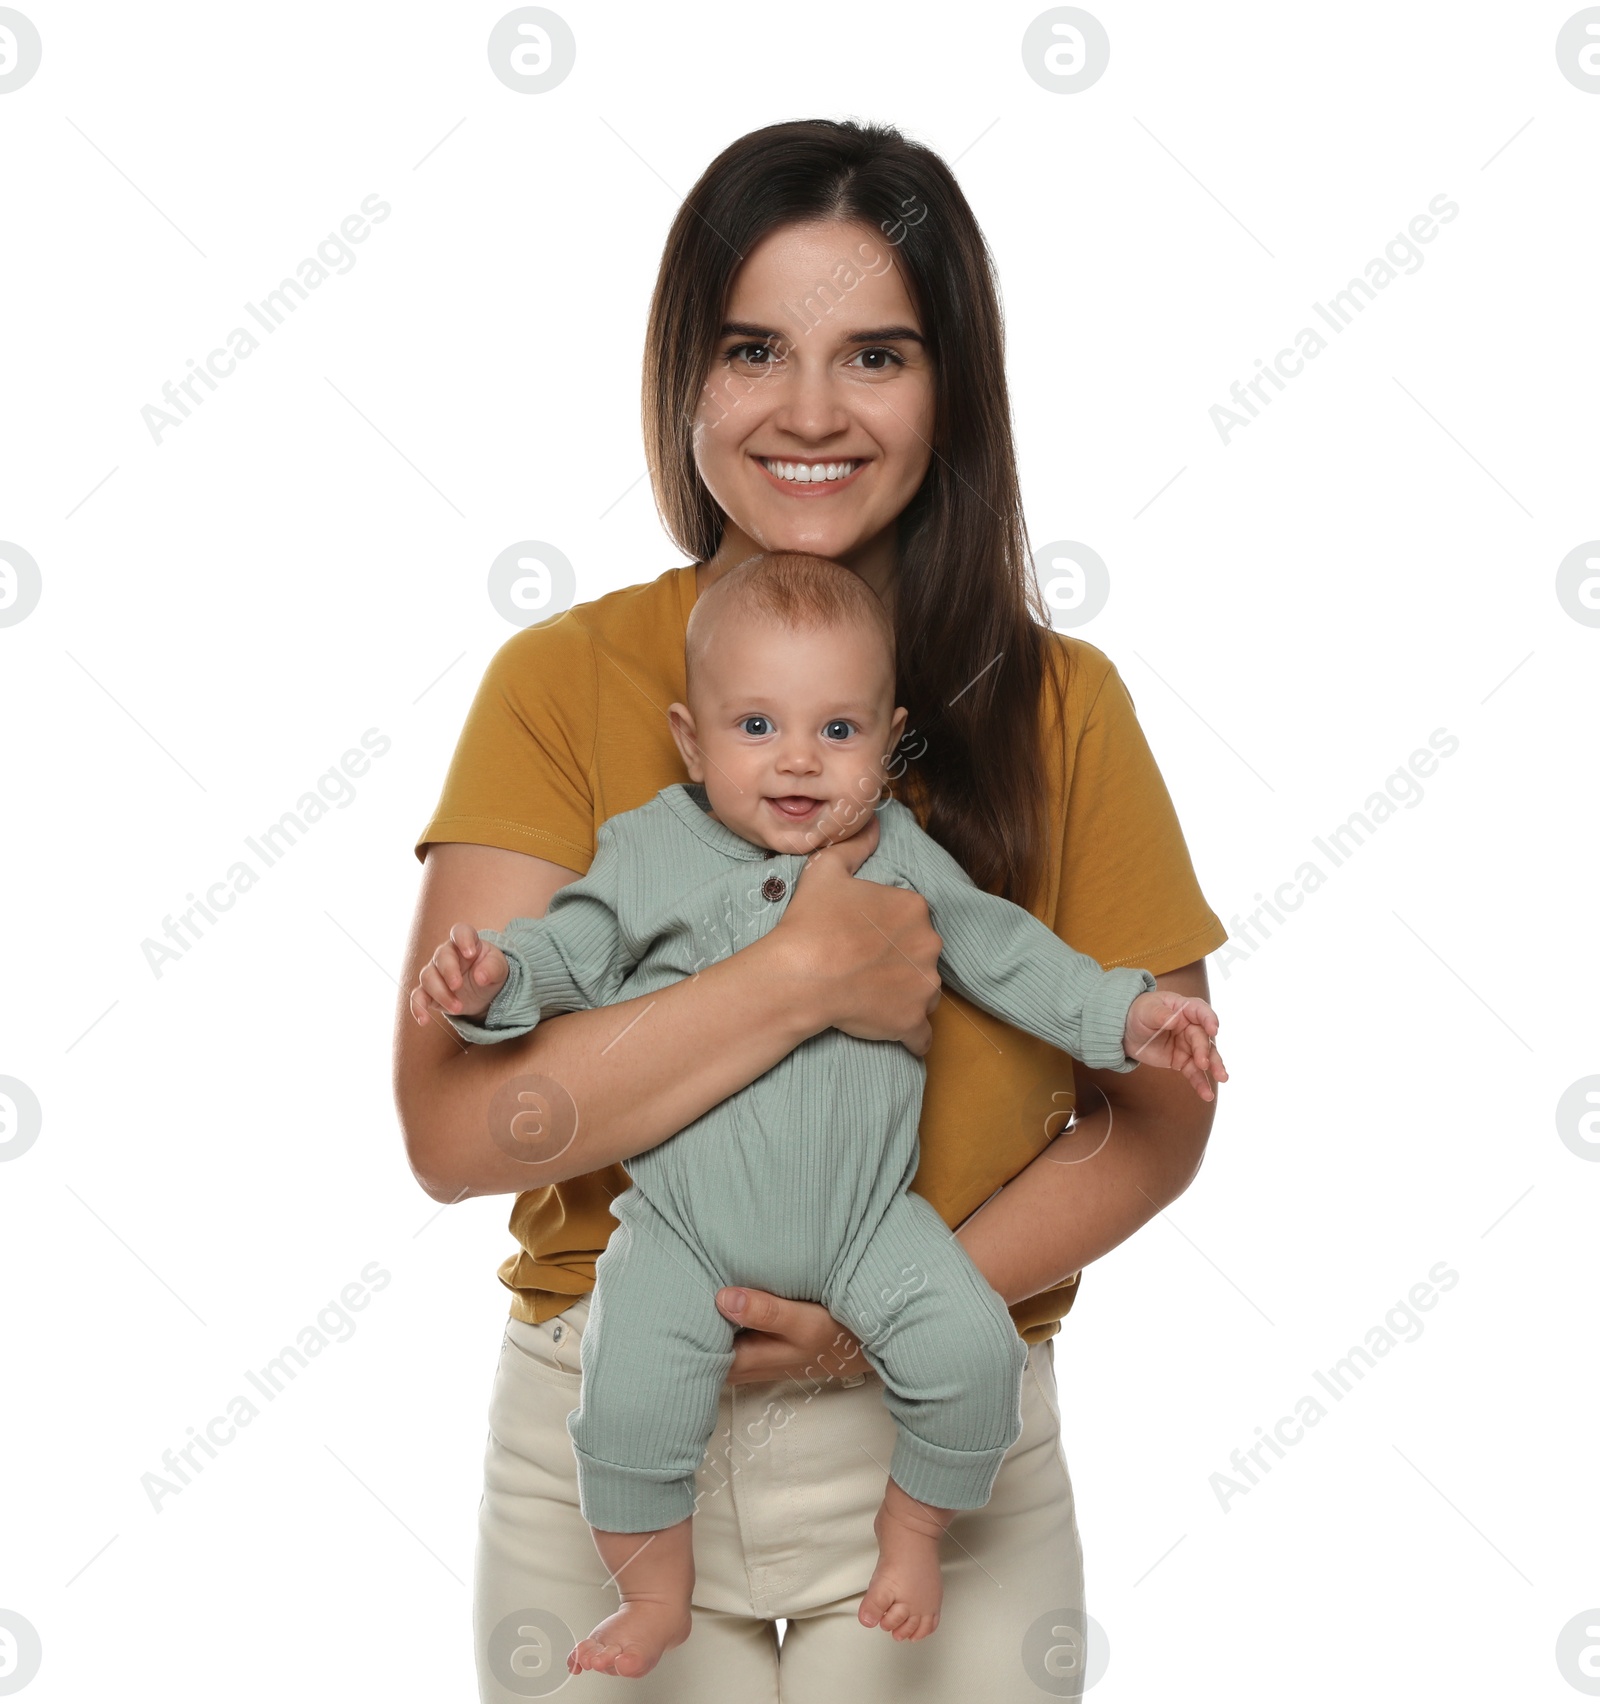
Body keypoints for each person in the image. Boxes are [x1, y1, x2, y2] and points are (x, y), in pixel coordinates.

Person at [395, 117, 1231, 1703]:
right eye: (754, 348)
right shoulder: (565, 686)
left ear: (953, 389)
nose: (808, 412)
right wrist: (800, 981)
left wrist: (881, 1315)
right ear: (683, 379)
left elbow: (1155, 1117)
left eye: (879, 356)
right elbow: (454, 1133)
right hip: (617, 1406)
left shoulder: (1063, 708)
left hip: (941, 1412)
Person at [411, 551, 1227, 1680]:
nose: (797, 760)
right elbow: (570, 952)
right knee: (626, 1407)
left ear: (887, 744)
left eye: (836, 733)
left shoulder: (905, 855)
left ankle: (915, 1529)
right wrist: (492, 985)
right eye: (755, 727)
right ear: (691, 740)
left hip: (867, 1228)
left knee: (971, 1357)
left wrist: (1128, 1016)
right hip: (683, 1233)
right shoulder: (652, 847)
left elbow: (1010, 955)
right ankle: (653, 1593)